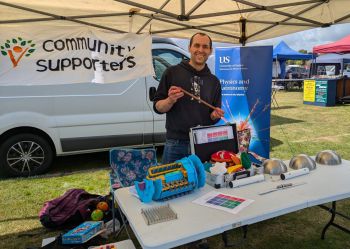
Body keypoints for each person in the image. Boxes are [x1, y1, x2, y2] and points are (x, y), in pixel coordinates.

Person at [153, 32, 224, 164]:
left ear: (210, 51)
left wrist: (215, 115)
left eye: (205, 46)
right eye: (196, 45)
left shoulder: (214, 81)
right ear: (189, 47)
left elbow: (214, 117)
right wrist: (170, 100)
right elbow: (158, 107)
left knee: (202, 184)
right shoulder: (172, 73)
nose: (200, 50)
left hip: (203, 143)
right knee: (170, 182)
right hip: (176, 144)